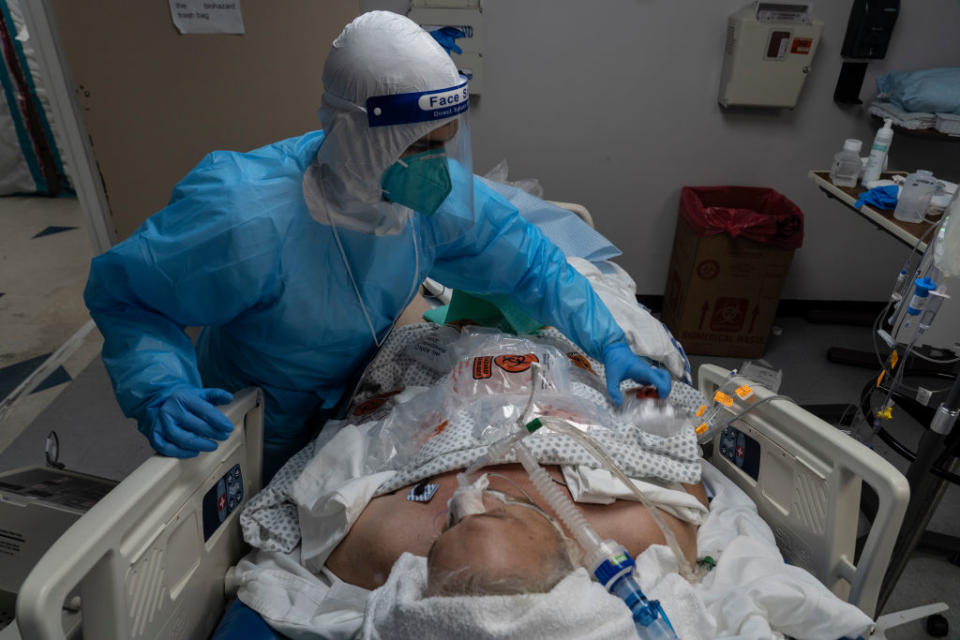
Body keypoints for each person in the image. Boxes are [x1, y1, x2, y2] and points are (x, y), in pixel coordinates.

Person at [84, 11, 670, 482]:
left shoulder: (428, 202)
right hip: (244, 410)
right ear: (357, 137)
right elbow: (129, 298)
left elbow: (531, 266)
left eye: (444, 144)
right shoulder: (244, 217)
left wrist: (608, 341)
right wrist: (159, 387)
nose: (438, 168)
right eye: (419, 147)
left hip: (356, 399)